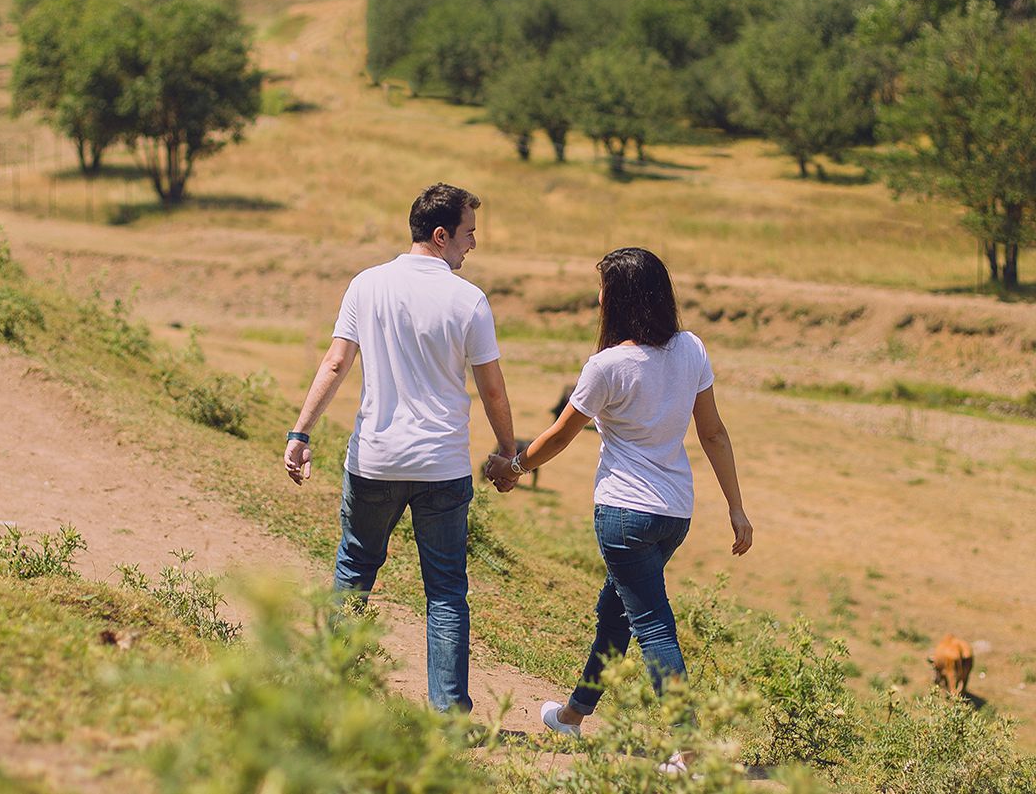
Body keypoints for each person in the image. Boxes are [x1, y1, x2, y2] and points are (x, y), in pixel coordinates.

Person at [486, 247, 753, 772]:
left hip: (624, 515)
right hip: (673, 515)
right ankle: (572, 713)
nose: (598, 298)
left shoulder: (606, 366)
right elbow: (714, 432)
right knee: (617, 614)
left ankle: (688, 747)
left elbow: (562, 434)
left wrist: (513, 467)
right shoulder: (691, 349)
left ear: (619, 299)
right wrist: (736, 508)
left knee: (652, 624)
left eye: (603, 290)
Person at [284, 182, 520, 713]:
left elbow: (335, 364)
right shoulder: (469, 300)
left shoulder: (366, 285)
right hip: (442, 466)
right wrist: (509, 453)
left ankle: (329, 690)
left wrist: (301, 433)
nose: (473, 244)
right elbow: (493, 389)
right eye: (468, 233)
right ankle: (449, 712)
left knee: (354, 570)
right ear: (441, 236)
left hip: (375, 460)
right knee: (445, 592)